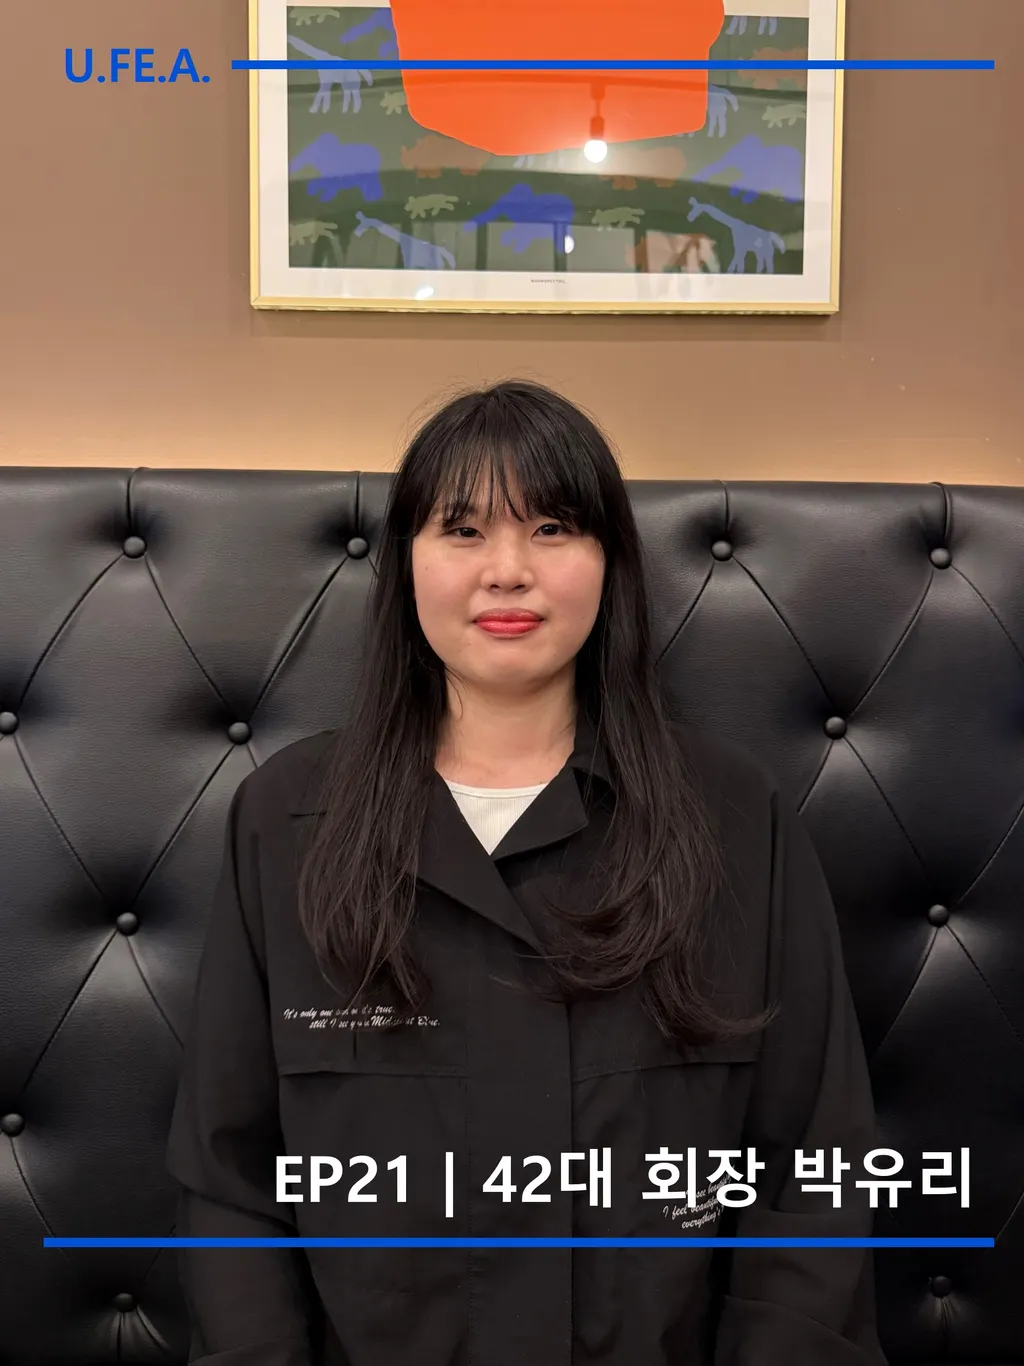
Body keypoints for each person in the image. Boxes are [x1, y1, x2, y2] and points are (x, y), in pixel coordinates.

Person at [167, 379, 889, 1366]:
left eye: (552, 528)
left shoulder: (732, 814)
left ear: (610, 563)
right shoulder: (286, 820)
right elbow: (231, 1179)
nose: (507, 572)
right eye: (462, 530)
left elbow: (814, 1167)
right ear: (406, 565)